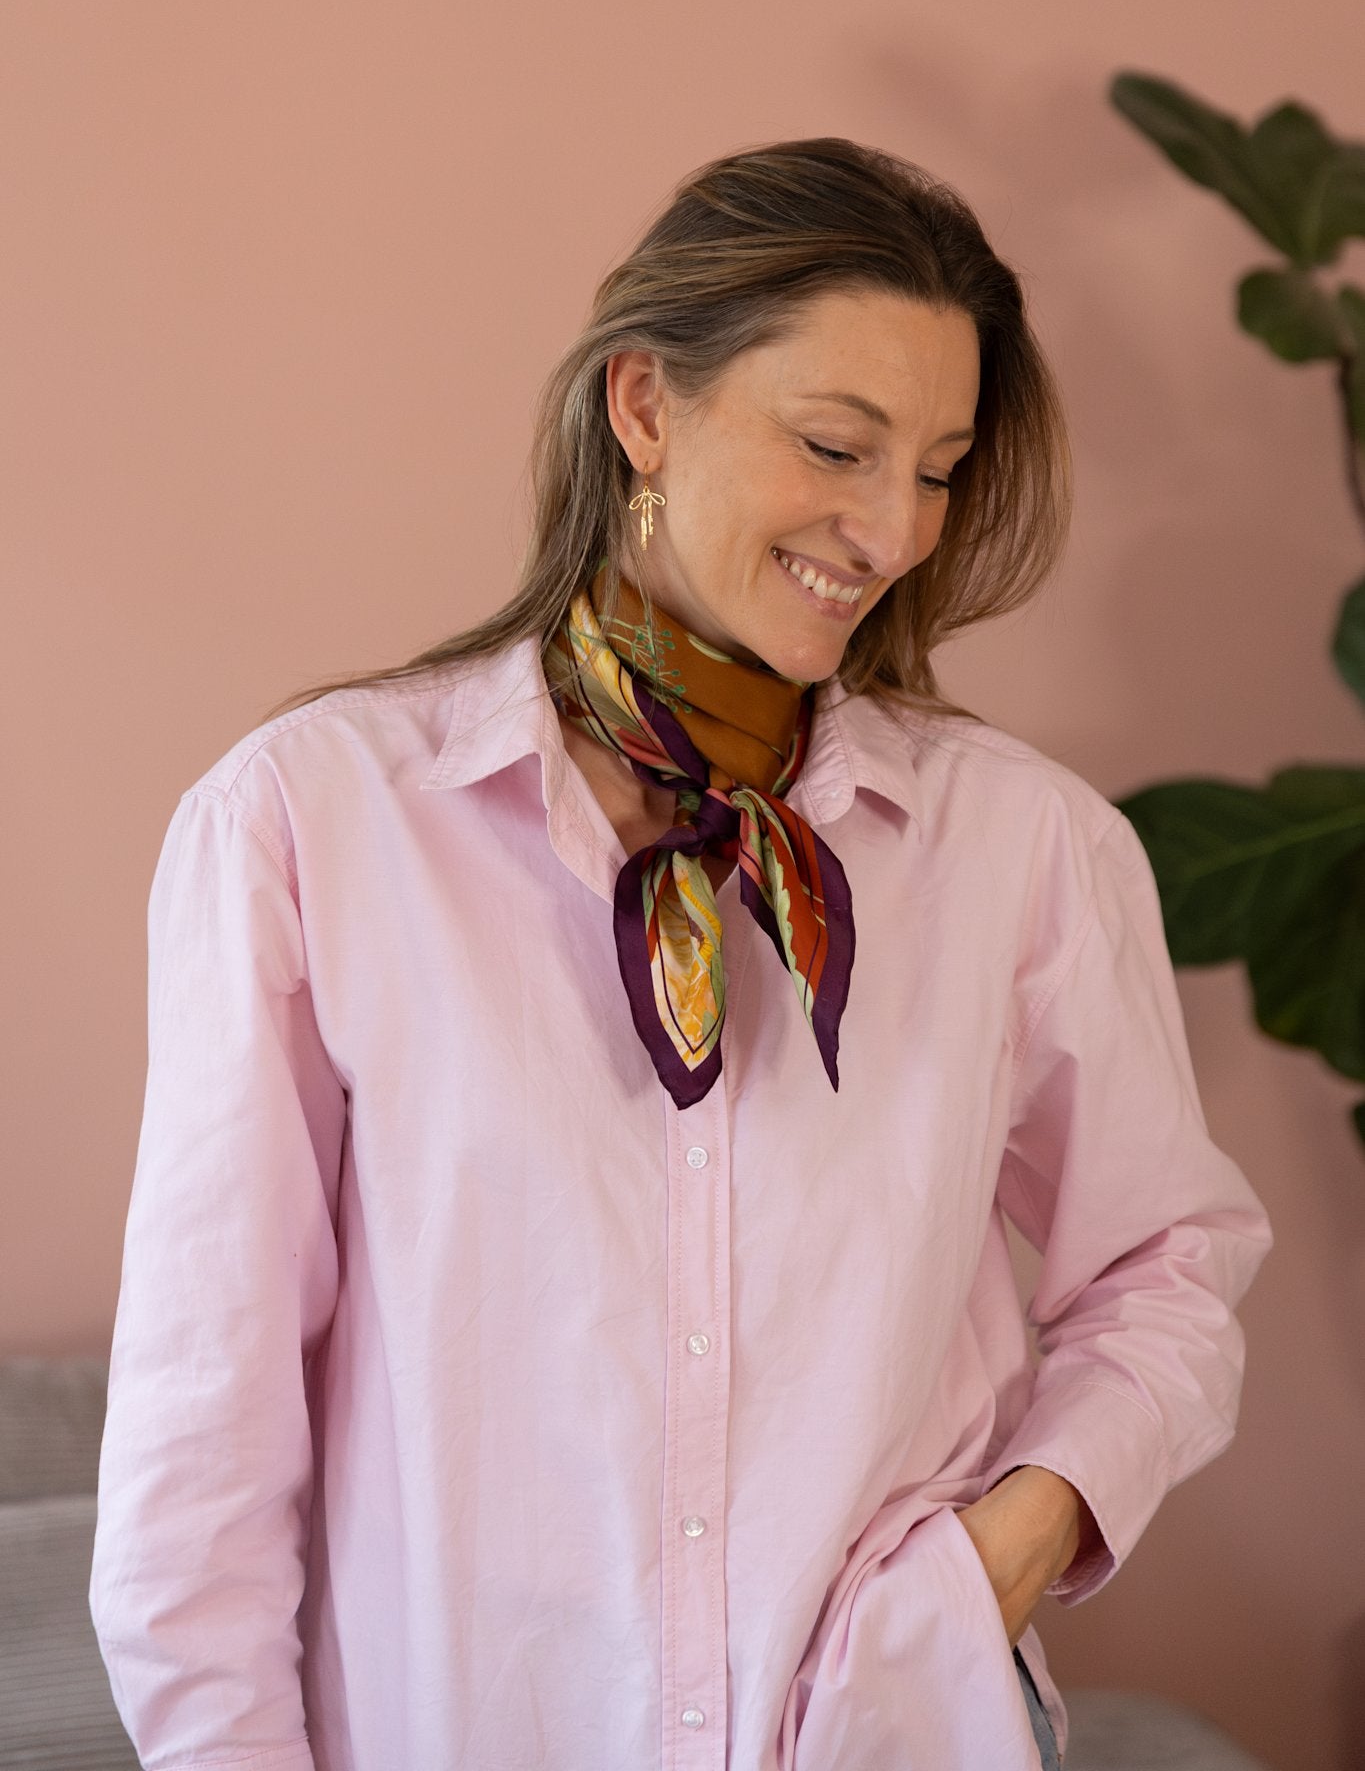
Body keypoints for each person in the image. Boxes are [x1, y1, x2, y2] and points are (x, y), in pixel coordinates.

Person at [90, 136, 1272, 1771]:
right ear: (645, 405)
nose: (891, 529)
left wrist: (1013, 1544)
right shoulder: (312, 826)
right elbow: (205, 1435)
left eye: (937, 469)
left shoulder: (1025, 850)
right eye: (836, 446)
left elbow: (1168, 1260)